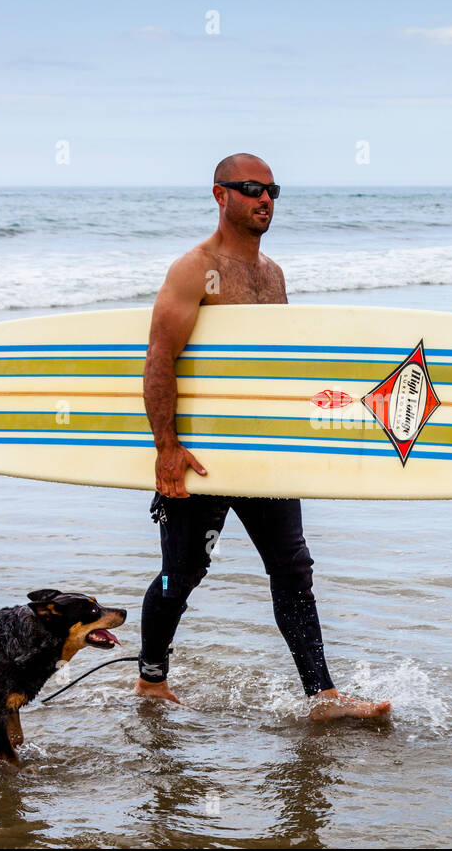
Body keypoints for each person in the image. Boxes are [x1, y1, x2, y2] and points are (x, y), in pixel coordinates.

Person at [133, 153, 391, 720]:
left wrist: (313, 433)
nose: (264, 199)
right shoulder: (193, 269)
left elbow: (276, 367)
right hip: (201, 458)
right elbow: (159, 361)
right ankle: (151, 681)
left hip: (262, 452)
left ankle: (321, 695)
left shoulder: (272, 274)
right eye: (251, 189)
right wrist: (166, 449)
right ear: (220, 195)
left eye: (272, 189)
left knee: (293, 568)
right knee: (184, 574)